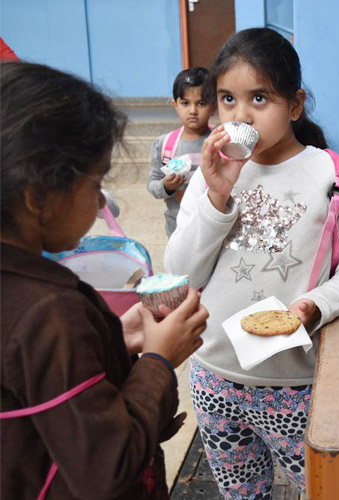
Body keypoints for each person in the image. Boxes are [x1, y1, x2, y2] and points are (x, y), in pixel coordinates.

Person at [165, 27, 339, 499]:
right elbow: (183, 273)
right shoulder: (211, 174)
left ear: (295, 105)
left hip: (296, 385)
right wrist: (217, 196)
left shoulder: (335, 177)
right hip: (214, 378)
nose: (240, 116)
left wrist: (313, 306)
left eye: (259, 98)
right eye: (227, 99)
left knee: (323, 490)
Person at [1, 61, 210, 500]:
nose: (100, 200)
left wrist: (113, 335)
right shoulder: (48, 312)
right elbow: (107, 466)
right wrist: (158, 360)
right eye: (94, 183)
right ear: (38, 196)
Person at [147, 67, 216, 237]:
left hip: (212, 227)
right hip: (177, 226)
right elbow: (152, 183)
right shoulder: (165, 145)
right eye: (185, 103)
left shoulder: (219, 141)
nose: (193, 110)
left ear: (214, 106)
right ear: (175, 105)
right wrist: (166, 186)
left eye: (201, 103)